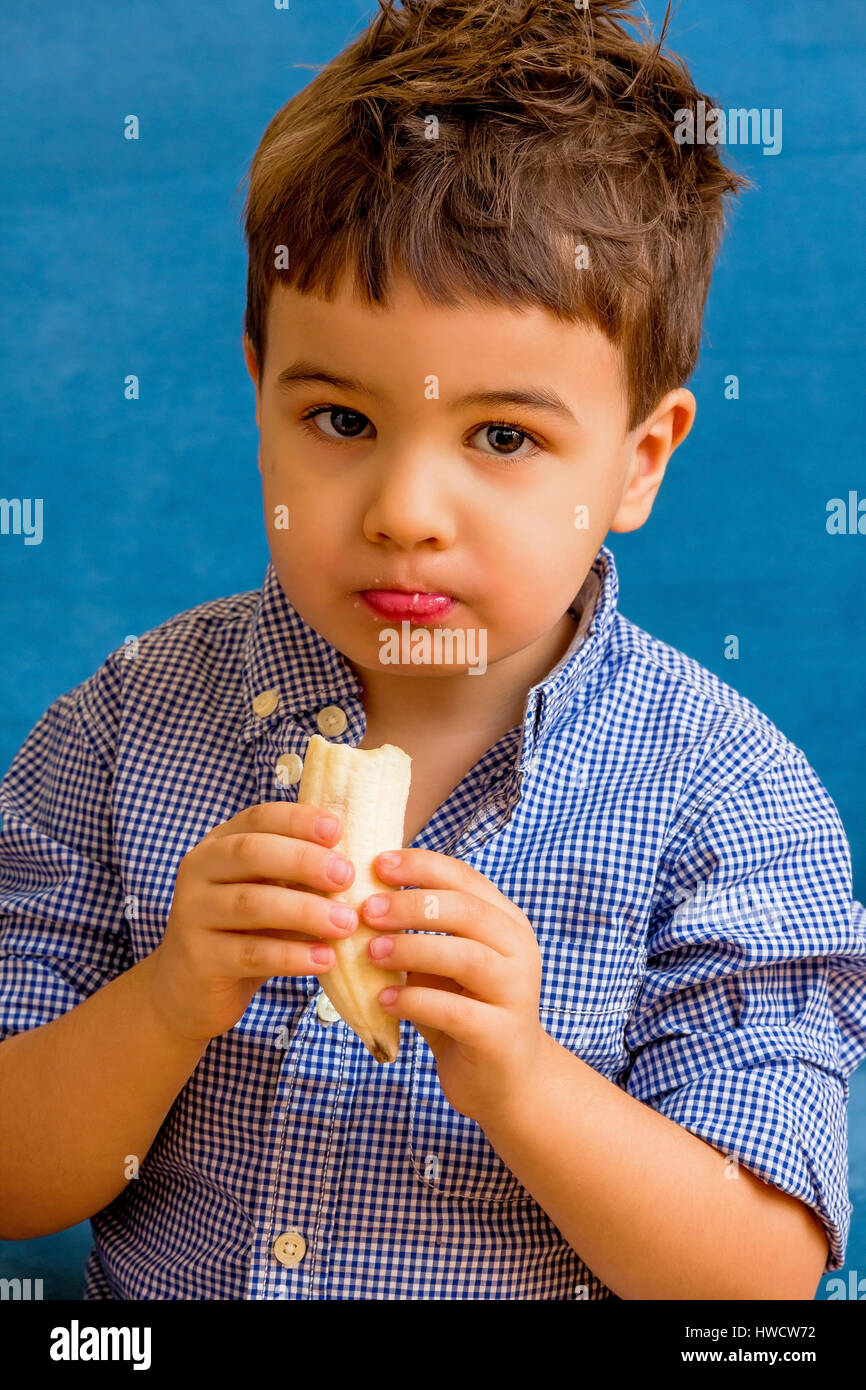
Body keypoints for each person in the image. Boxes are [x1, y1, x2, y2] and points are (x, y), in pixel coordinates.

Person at [1, 0, 864, 1300]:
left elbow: (753, 1286)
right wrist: (169, 1000)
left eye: (502, 437)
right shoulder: (122, 731)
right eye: (340, 416)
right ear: (258, 388)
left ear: (638, 459)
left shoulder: (727, 803)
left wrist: (520, 1073)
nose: (404, 510)